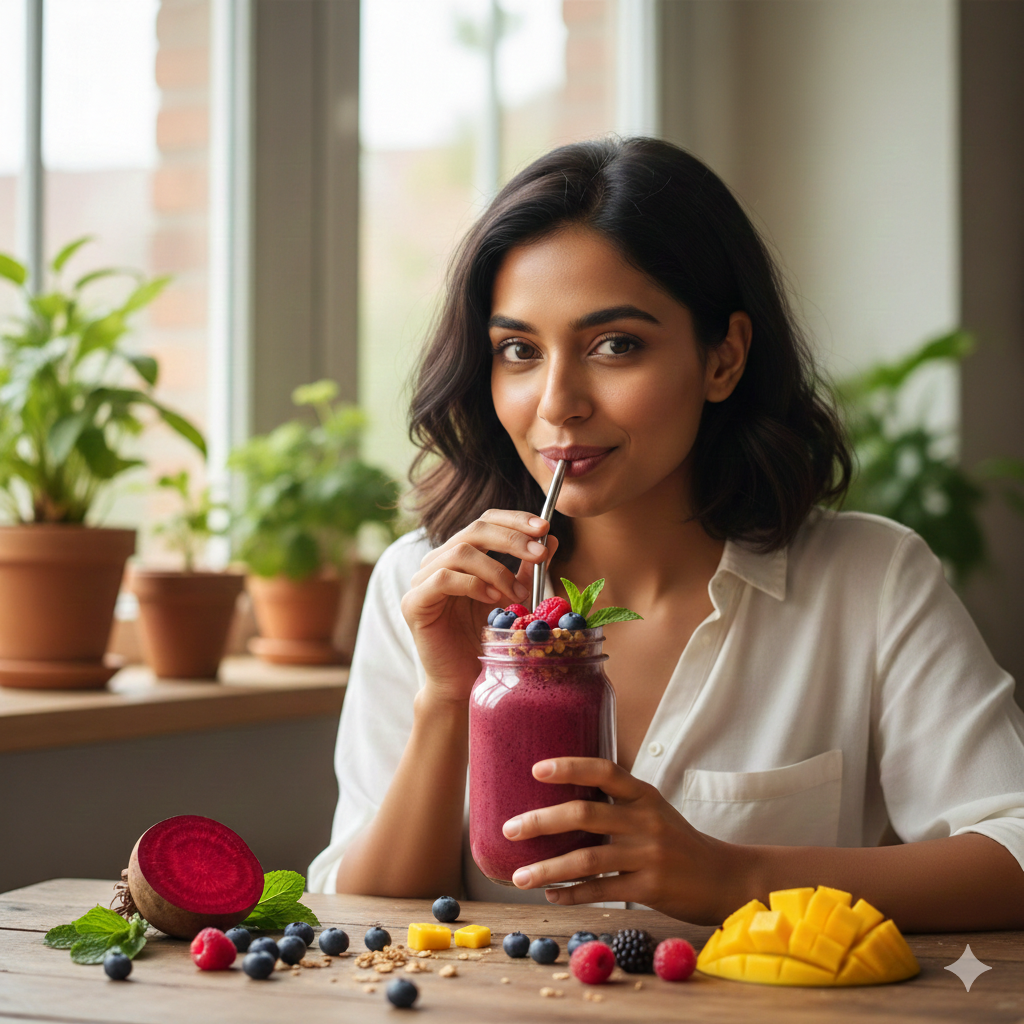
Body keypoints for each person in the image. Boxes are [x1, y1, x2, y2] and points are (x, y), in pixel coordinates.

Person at [308, 138, 1024, 930]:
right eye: (519, 350)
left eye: (615, 345)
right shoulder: (427, 585)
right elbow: (358, 919)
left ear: (724, 359)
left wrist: (733, 875)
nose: (558, 403)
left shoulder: (868, 579)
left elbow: (1016, 851)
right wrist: (448, 696)